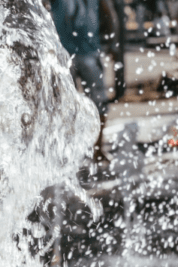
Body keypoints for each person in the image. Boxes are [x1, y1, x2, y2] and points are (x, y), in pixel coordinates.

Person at [50, 0, 120, 163]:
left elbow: (109, 13)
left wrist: (112, 42)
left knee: (99, 103)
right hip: (63, 55)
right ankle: (66, 152)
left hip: (89, 52)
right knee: (64, 105)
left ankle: (97, 149)